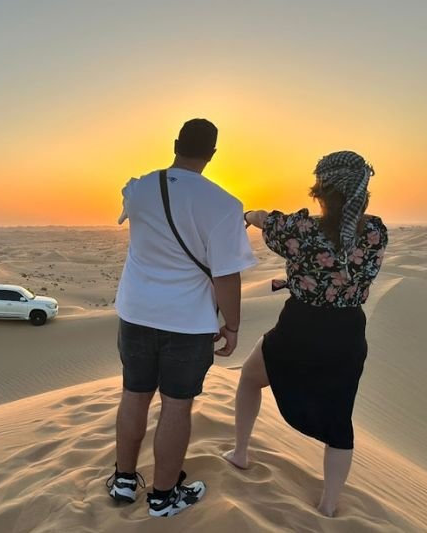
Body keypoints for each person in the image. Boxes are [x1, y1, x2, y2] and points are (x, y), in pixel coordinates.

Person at [223, 150, 388, 517]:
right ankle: (329, 505)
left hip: (301, 326)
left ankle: (240, 453)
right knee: (339, 419)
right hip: (346, 333)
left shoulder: (300, 231)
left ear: (319, 191)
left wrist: (248, 216)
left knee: (250, 378)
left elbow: (265, 219)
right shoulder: (376, 231)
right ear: (364, 191)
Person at [107, 118, 257, 517]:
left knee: (133, 395)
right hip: (188, 323)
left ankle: (124, 481)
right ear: (212, 154)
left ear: (175, 143)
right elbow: (226, 275)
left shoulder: (138, 188)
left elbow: (129, 210)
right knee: (176, 406)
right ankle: (162, 498)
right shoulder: (225, 205)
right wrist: (233, 326)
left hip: (136, 314)